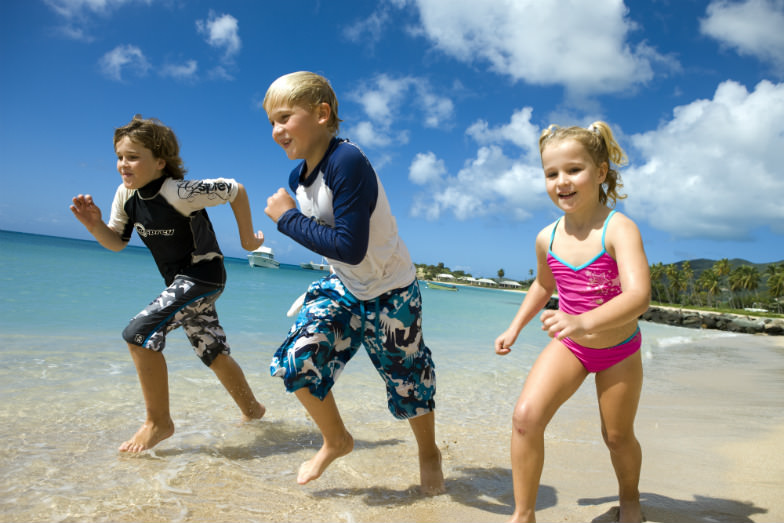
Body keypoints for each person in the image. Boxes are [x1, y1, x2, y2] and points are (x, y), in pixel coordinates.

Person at [261, 71, 444, 495]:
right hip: (344, 287)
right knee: (297, 362)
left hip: (393, 291)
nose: (276, 131)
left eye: (284, 118)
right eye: (271, 122)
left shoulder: (347, 161)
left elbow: (351, 246)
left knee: (408, 383)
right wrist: (293, 215)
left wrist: (288, 219)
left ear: (323, 114)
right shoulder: (297, 181)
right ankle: (337, 440)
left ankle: (429, 452)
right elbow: (338, 252)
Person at [70, 115, 266, 453]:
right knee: (212, 351)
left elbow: (235, 190)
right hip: (183, 283)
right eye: (119, 156)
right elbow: (117, 242)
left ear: (160, 162)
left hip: (203, 276)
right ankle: (254, 411)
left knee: (138, 334)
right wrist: (94, 225)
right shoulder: (125, 195)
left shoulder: (179, 191)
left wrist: (248, 240)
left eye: (132, 156)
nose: (122, 164)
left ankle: (159, 422)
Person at [494, 122, 650, 523]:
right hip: (573, 346)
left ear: (601, 172)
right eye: (551, 174)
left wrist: (582, 321)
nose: (562, 182)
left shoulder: (618, 228)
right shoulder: (547, 237)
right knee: (526, 418)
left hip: (618, 349)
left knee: (616, 437)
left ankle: (630, 499)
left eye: (574, 170)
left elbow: (638, 297)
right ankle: (523, 514)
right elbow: (543, 286)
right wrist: (514, 328)